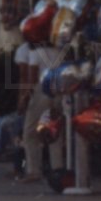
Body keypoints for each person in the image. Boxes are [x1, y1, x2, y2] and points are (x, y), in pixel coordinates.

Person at [19, 37, 65, 184]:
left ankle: (33, 170)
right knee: (54, 130)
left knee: (30, 132)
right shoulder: (59, 52)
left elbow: (32, 78)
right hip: (58, 91)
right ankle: (58, 167)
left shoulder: (36, 53)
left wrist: (24, 98)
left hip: (41, 92)